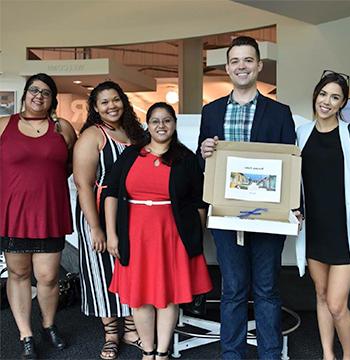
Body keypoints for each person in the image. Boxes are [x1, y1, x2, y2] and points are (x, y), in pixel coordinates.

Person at [197, 36, 296, 359]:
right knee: (233, 289)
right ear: (227, 68)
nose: (242, 66)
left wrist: (296, 207)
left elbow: (290, 165)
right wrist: (204, 152)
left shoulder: (280, 113)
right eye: (236, 61)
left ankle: (270, 354)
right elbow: (204, 163)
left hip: (268, 217)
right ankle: (232, 354)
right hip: (225, 215)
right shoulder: (210, 112)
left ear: (259, 66)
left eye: (248, 60)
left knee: (267, 289)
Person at [105, 102, 212, 360]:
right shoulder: (131, 155)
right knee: (139, 297)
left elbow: (199, 201)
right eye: (155, 121)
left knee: (169, 296)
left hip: (172, 236)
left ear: (174, 125)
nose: (161, 126)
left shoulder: (186, 159)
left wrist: (195, 238)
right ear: (148, 125)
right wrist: (111, 234)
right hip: (135, 235)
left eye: (166, 120)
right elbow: (111, 193)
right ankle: (147, 351)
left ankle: (162, 353)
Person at [0, 73, 76, 359]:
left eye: (46, 92)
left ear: (52, 99)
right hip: (13, 213)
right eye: (34, 90)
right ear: (25, 94)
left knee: (48, 276)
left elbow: (69, 165)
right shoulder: (4, 125)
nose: (38, 96)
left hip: (49, 211)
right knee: (18, 274)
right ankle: (25, 334)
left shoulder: (63, 128)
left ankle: (48, 324)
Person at [73, 81, 145, 360]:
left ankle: (129, 328)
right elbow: (83, 185)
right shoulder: (93, 135)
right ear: (95, 107)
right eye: (104, 102)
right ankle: (111, 334)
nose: (111, 106)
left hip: (132, 214)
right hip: (99, 213)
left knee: (128, 270)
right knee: (102, 273)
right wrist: (96, 228)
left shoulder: (135, 134)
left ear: (123, 102)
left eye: (116, 100)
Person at [296, 70, 350, 360]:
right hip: (315, 231)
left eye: (335, 97)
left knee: (337, 304)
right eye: (323, 94)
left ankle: (348, 356)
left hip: (345, 233)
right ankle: (327, 355)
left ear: (342, 103)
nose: (326, 101)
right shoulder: (301, 133)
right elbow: (292, 179)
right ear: (315, 95)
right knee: (321, 296)